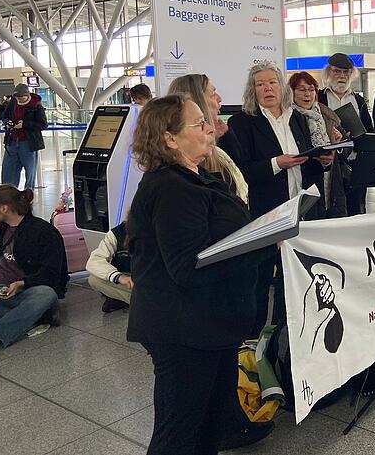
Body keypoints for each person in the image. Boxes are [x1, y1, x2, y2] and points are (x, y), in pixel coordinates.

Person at [126, 95, 266, 455]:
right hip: (183, 330)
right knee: (177, 436)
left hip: (209, 326)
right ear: (171, 139)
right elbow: (188, 266)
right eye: (198, 123)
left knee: (209, 428)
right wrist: (257, 247)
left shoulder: (195, 177)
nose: (209, 127)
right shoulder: (171, 188)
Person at [228, 62, 331, 328]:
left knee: (297, 276)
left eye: (271, 82)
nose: (267, 88)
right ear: (253, 90)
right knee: (262, 278)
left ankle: (288, 332)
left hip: (302, 209)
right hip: (268, 212)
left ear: (281, 86)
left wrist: (322, 161)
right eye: (260, 84)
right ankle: (256, 339)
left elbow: (306, 158)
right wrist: (276, 163)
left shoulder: (295, 117)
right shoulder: (243, 122)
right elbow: (240, 171)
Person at [0, 185, 68, 349]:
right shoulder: (0, 229)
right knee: (32, 310)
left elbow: (53, 275)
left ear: (4, 208)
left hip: (28, 291)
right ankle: (33, 318)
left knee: (47, 294)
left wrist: (22, 283)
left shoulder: (43, 232)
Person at [168, 74, 247, 203]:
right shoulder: (184, 171)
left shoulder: (217, 149)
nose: (219, 99)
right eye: (213, 94)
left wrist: (227, 137)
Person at [318, 53, 374, 215]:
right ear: (329, 72)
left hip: (355, 162)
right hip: (330, 163)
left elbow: (369, 131)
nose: (341, 76)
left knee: (357, 209)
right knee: (332, 208)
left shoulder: (359, 100)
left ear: (351, 74)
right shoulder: (320, 98)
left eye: (346, 72)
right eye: (337, 71)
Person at [289, 71, 347, 218]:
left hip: (331, 180)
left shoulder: (327, 115)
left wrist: (337, 145)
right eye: (301, 90)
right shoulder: (287, 118)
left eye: (311, 89)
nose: (307, 94)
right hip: (305, 180)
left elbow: (347, 148)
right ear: (291, 92)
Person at [1, 83, 47, 189]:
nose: (19, 100)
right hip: (12, 142)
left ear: (27, 95)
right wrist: (8, 123)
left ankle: (27, 198)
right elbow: (4, 116)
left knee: (29, 173)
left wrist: (24, 124)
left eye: (21, 98)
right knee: (8, 172)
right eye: (17, 98)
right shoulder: (12, 103)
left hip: (28, 143)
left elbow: (43, 124)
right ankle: (8, 196)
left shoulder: (36, 105)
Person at [86, 221, 132, 313]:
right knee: (94, 279)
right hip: (128, 279)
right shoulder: (117, 233)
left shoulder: (159, 230)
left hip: (150, 279)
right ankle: (136, 300)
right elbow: (94, 261)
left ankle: (129, 300)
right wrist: (119, 277)